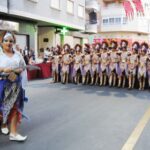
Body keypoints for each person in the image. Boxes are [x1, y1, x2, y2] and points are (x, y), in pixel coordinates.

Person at [0, 31, 27, 141]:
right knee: (2, 108)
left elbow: (23, 67)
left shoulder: (17, 54)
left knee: (15, 108)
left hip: (15, 84)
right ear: (1, 42)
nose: (9, 43)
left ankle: (14, 133)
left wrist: (16, 71)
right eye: (6, 40)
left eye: (11, 41)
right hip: (2, 83)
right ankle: (3, 124)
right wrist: (3, 70)